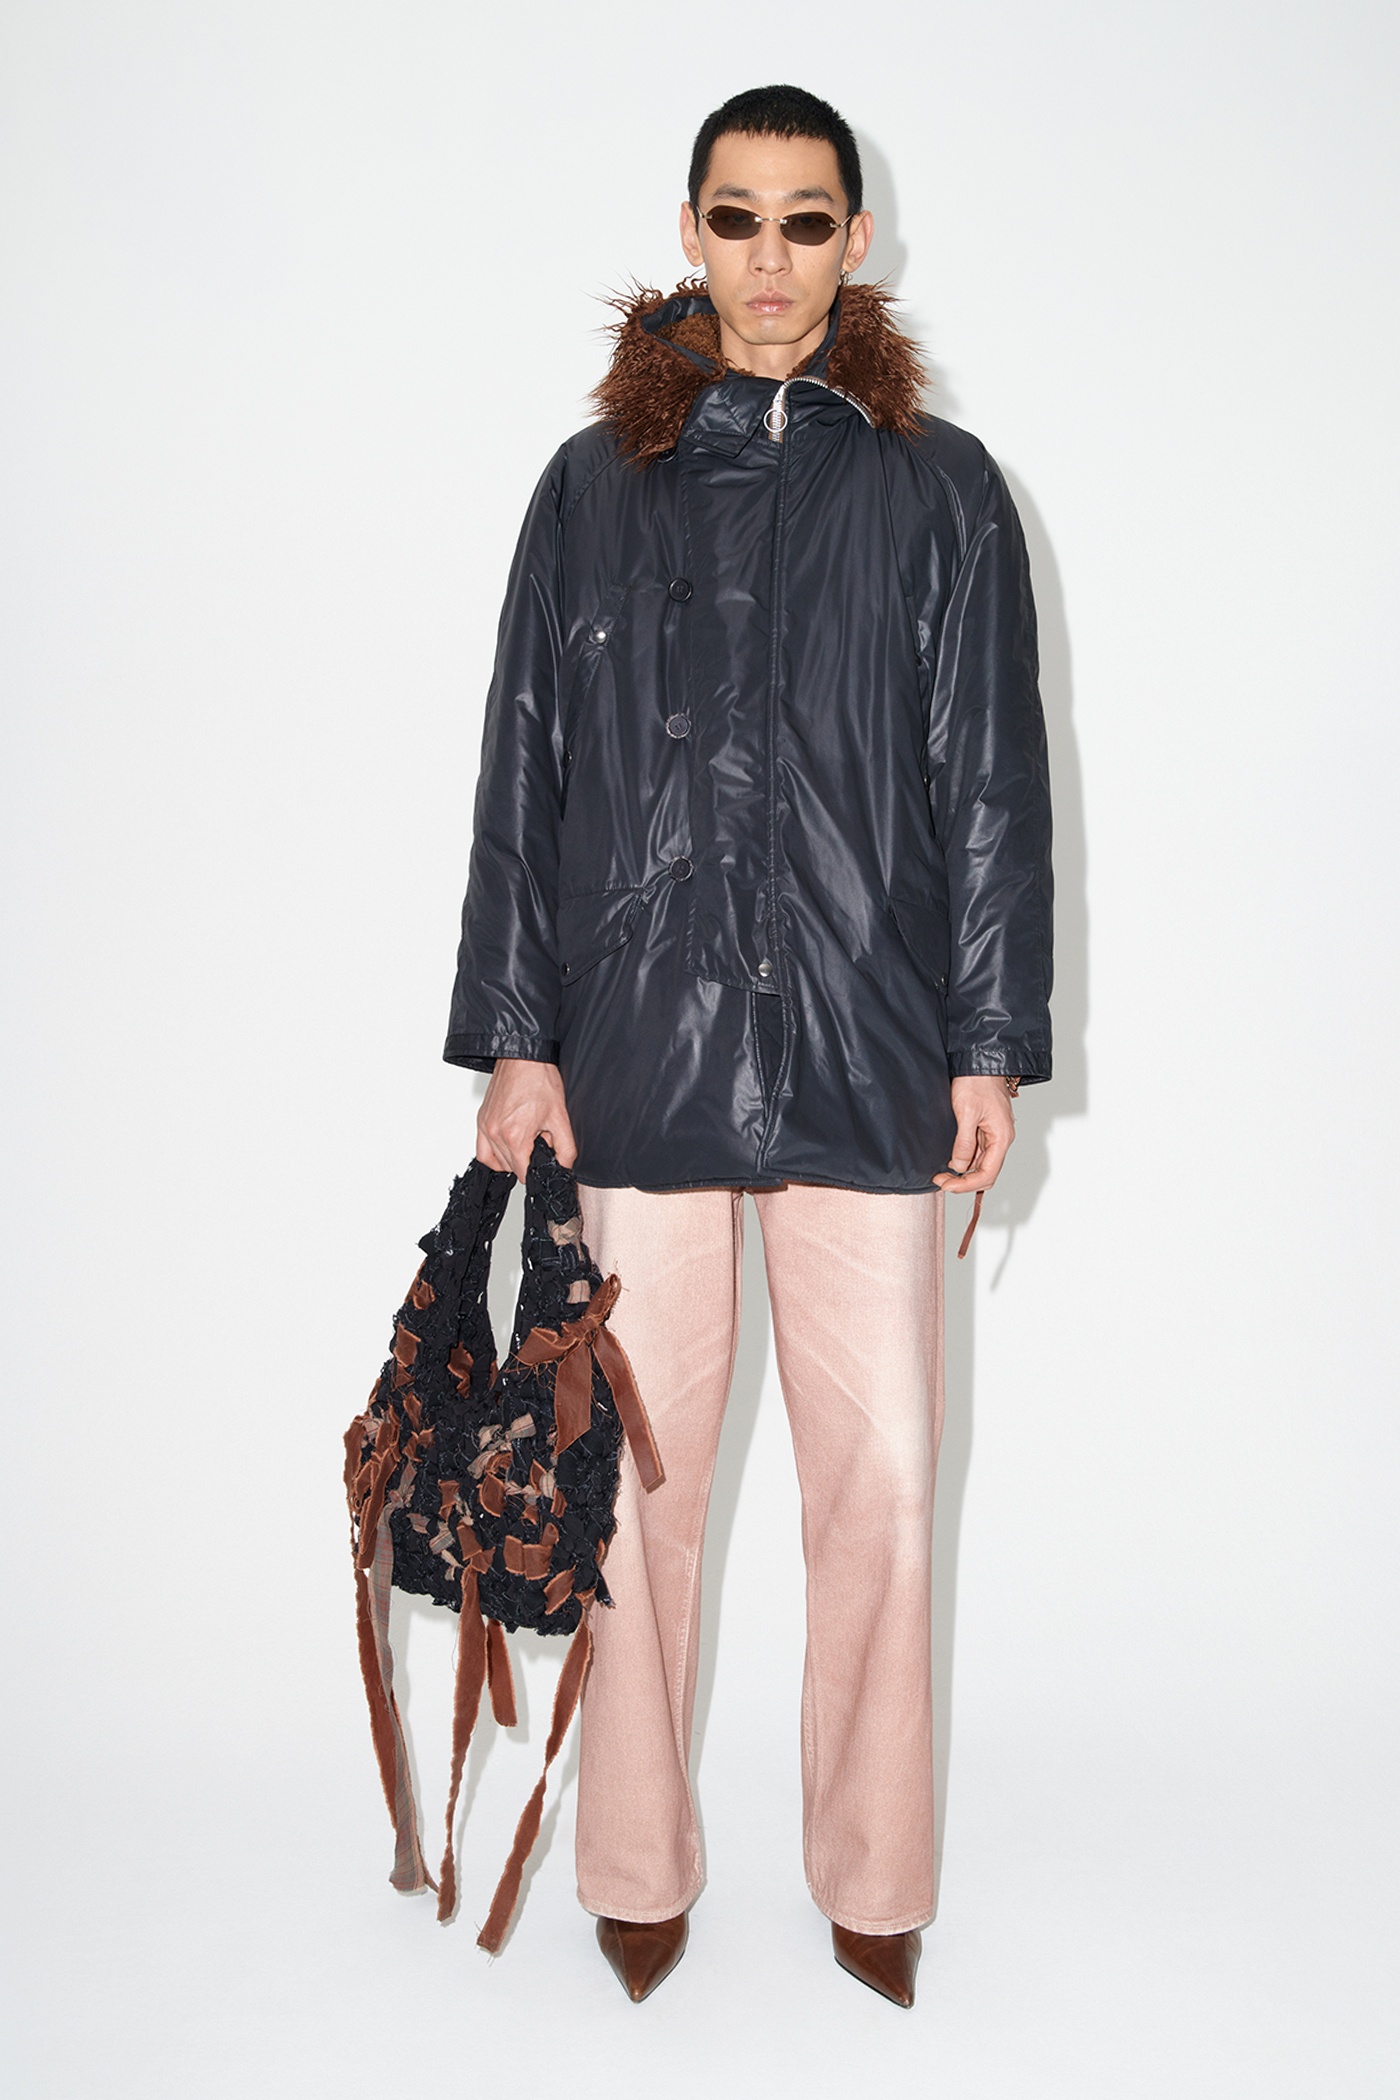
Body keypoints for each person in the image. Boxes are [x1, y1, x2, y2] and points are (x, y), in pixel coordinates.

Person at [445, 83, 1053, 2008]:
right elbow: (523, 773)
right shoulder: (589, 488)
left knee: (884, 1483)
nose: (771, 258)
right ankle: (637, 1865)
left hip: (874, 1055)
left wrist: (989, 1040)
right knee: (634, 1486)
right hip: (640, 1053)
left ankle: (875, 1875)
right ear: (692, 231)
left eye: (807, 220)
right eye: (738, 217)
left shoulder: (941, 490)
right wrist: (518, 1039)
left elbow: (989, 788)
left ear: (855, 240)